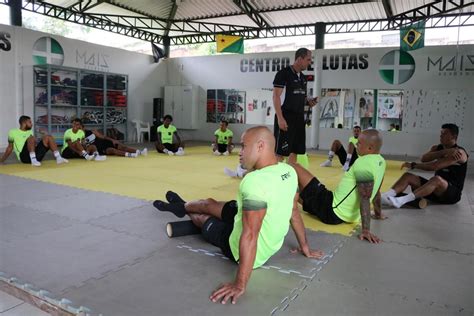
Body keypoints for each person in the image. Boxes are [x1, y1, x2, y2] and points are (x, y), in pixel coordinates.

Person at [153, 126, 324, 304]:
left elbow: (250, 235)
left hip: (242, 249)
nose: (239, 152)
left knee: (203, 219)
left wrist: (240, 284)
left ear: (260, 146)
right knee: (209, 203)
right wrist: (305, 247)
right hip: (252, 211)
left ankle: (187, 211)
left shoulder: (254, 182)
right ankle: (181, 206)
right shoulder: (289, 171)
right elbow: (293, 210)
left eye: (243, 146)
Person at [293, 129, 386, 243]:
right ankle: (288, 197)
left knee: (294, 166)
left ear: (370, 148)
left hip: (331, 208)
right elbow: (376, 191)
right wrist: (378, 213)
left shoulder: (363, 163)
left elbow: (365, 197)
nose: (356, 144)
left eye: (360, 143)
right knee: (303, 194)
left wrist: (366, 230)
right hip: (346, 215)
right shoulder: (381, 162)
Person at [382, 123, 468, 208]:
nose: (441, 136)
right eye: (441, 133)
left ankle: (401, 201)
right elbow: (424, 158)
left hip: (451, 195)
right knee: (408, 176)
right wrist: (445, 151)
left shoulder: (460, 153)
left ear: (454, 137)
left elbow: (434, 166)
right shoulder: (437, 148)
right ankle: (385, 196)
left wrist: (414, 165)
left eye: (445, 134)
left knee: (436, 179)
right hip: (434, 191)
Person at [273, 48, 318, 164]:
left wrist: (309, 102)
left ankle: (291, 178)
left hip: (299, 119)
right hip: (286, 117)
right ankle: (272, 177)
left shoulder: (303, 78)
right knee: (280, 153)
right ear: (299, 59)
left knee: (295, 151)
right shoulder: (283, 74)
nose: (310, 62)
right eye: (308, 60)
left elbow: (301, 97)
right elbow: (276, 96)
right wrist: (280, 118)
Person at [0, 115, 68, 166]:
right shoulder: (12, 132)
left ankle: (58, 158)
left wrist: (43, 135)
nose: (31, 124)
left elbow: (34, 145)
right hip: (24, 157)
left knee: (48, 137)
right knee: (31, 138)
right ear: (24, 123)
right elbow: (10, 147)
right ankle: (33, 160)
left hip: (35, 155)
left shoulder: (30, 131)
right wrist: (1, 160)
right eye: (30, 122)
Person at [81, 124, 147, 158]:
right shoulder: (79, 137)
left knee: (123, 147)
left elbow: (103, 137)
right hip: (100, 149)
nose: (79, 130)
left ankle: (140, 152)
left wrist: (113, 140)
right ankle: (130, 155)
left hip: (104, 143)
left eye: (81, 128)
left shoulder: (92, 131)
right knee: (113, 150)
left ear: (83, 128)